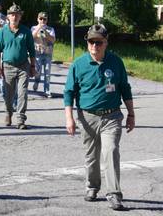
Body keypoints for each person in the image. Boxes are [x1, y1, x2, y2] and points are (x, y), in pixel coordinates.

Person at [64, 24, 135, 211]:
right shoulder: (78, 65)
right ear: (87, 43)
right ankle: (92, 187)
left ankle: (114, 194)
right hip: (87, 117)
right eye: (91, 42)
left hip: (111, 116)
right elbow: (69, 93)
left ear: (106, 43)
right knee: (92, 157)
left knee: (111, 151)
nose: (94, 46)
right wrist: (69, 118)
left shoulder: (116, 62)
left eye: (99, 42)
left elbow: (125, 88)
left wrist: (131, 114)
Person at [0, 3, 36, 129]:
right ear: (8, 17)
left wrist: (33, 66)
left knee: (22, 93)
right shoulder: (2, 32)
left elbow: (32, 50)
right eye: (12, 15)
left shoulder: (26, 31)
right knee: (9, 94)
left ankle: (21, 119)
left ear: (20, 17)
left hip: (23, 66)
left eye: (17, 15)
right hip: (8, 67)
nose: (14, 17)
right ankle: (8, 113)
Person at [31, 12, 56, 97]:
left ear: (47, 20)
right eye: (41, 19)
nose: (42, 20)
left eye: (44, 19)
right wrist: (38, 29)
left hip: (47, 53)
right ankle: (37, 81)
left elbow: (52, 40)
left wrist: (45, 32)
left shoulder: (50, 29)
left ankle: (47, 90)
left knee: (47, 73)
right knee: (37, 72)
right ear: (37, 19)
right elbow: (31, 37)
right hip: (37, 53)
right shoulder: (33, 28)